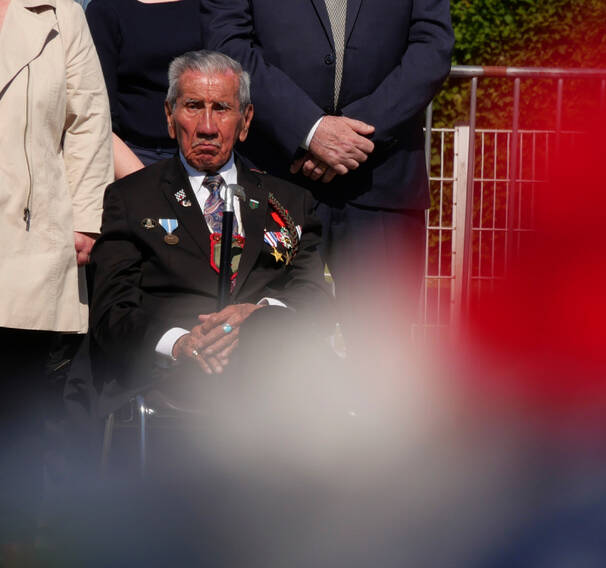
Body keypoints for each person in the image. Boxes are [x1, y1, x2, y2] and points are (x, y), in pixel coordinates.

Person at [87, 49, 333, 412]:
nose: (206, 126)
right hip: (169, 385)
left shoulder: (289, 202)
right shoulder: (131, 198)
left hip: (274, 389)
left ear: (245, 121)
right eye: (192, 106)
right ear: (170, 117)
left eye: (221, 108)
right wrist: (179, 343)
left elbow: (314, 299)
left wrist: (259, 314)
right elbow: (111, 310)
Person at [200, 0, 453, 344]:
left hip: (382, 181)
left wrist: (354, 137)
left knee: (382, 353)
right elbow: (228, 42)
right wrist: (308, 129)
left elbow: (432, 49)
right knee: (266, 354)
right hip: (273, 177)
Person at [0, 0, 111, 568]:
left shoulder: (60, 11)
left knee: (24, 391)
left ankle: (14, 530)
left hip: (31, 233)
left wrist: (85, 215)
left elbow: (89, 118)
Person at [85, 0, 204, 173]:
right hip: (140, 154)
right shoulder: (106, 9)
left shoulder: (216, 6)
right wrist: (144, 186)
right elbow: (99, 116)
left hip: (212, 149)